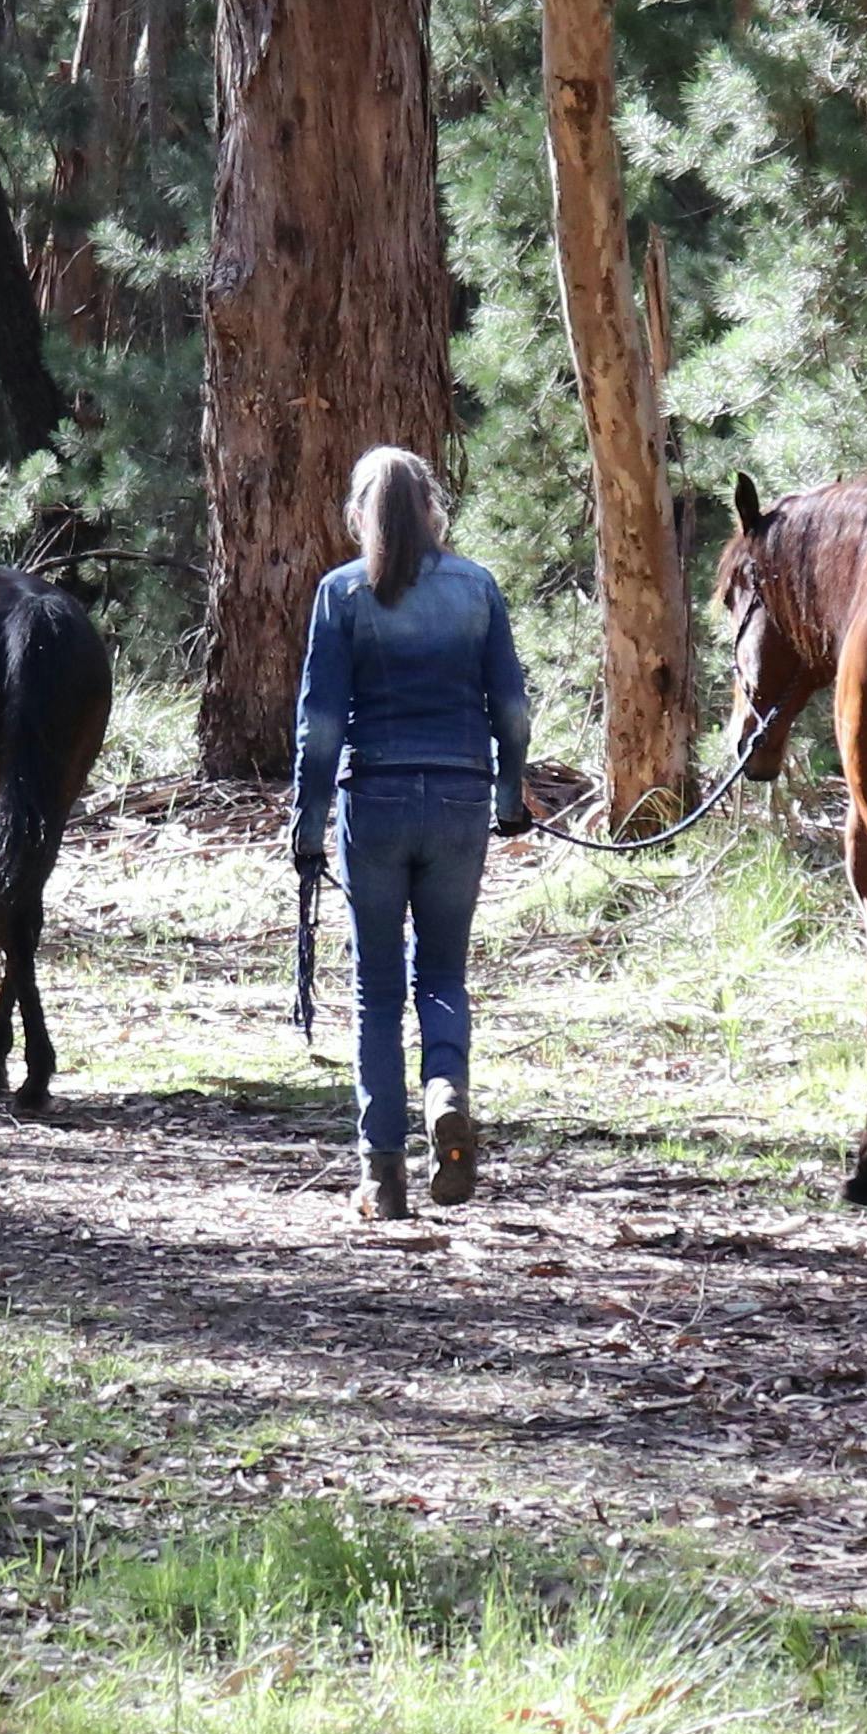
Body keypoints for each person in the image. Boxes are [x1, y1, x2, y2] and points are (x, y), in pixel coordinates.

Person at [291, 446, 533, 1220]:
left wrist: (308, 821)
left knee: (375, 989)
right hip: (460, 799)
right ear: (432, 510)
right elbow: (513, 710)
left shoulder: (341, 594)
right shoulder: (477, 587)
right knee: (443, 976)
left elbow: (320, 725)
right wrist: (508, 791)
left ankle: (382, 1175)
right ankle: (444, 1093)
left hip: (377, 801)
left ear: (362, 515)